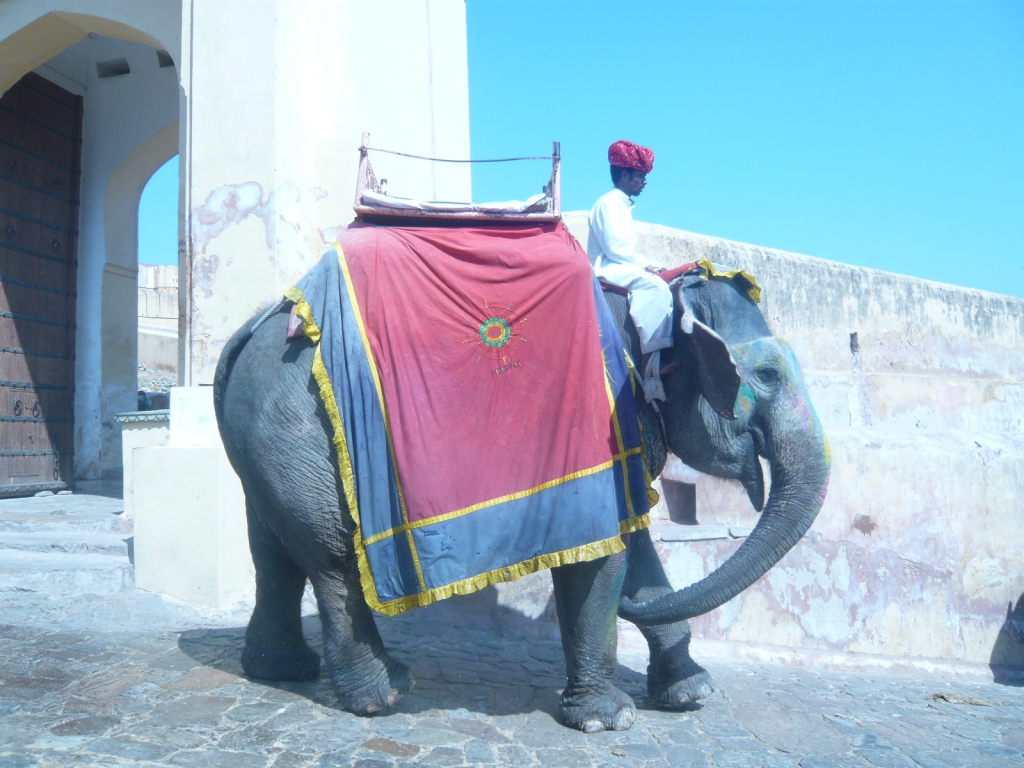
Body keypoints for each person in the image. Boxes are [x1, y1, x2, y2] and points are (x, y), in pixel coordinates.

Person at [588, 140, 672, 402]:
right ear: (624, 175)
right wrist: (647, 267)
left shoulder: (621, 204)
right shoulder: (608, 203)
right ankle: (651, 364)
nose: (644, 182)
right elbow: (615, 249)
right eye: (640, 176)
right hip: (608, 268)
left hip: (621, 264)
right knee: (655, 287)